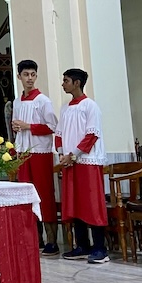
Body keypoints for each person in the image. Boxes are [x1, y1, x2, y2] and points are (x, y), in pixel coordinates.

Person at [55, 68, 109, 264]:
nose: (63, 84)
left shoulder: (90, 106)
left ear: (77, 83)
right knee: (75, 204)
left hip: (87, 162)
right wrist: (61, 153)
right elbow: (59, 134)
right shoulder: (65, 108)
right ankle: (82, 246)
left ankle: (100, 248)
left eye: (66, 81)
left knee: (91, 204)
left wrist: (74, 155)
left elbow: (92, 135)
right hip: (70, 163)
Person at [10, 59, 60, 256]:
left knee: (43, 194)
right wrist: (17, 128)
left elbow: (53, 127)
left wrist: (28, 126)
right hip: (23, 152)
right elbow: (17, 125)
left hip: (40, 153)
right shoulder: (17, 101)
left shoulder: (43, 101)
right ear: (19, 77)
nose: (29, 79)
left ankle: (52, 240)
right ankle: (34, 237)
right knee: (26, 196)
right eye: (26, 75)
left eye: (33, 75)